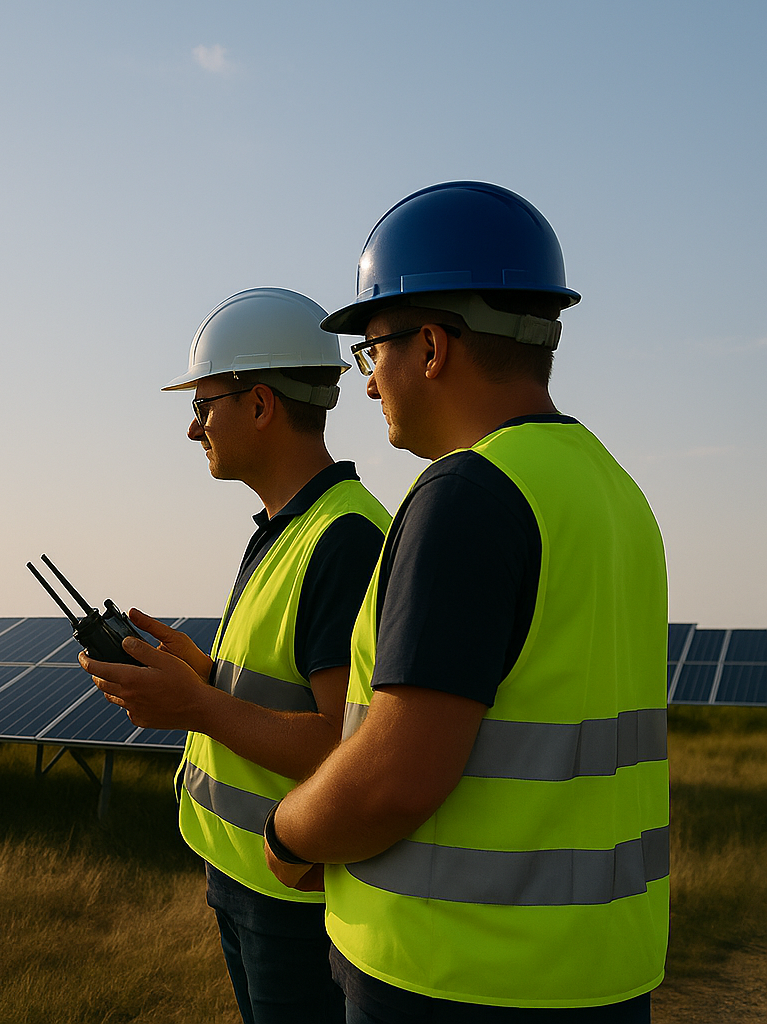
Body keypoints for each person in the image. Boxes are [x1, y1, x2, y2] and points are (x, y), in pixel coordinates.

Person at [262, 182, 669, 1022]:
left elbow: (398, 777)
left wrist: (288, 832)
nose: (368, 384)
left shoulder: (468, 496)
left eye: (371, 350)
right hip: (599, 972)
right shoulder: (613, 492)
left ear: (434, 347)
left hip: (452, 974)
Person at [84, 287, 389, 1024]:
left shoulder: (344, 541)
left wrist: (196, 705)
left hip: (292, 898)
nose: (194, 429)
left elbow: (347, 748)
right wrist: (205, 675)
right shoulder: (288, 526)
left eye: (205, 405)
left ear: (260, 405)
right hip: (244, 878)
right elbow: (283, 693)